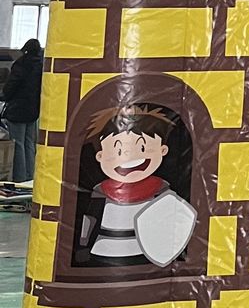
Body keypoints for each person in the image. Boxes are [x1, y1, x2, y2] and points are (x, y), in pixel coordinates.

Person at [74, 102, 196, 269]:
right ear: (100, 155)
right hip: (104, 251)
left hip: (149, 255)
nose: (129, 156)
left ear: (163, 150)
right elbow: (90, 220)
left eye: (143, 147)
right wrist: (83, 245)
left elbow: (178, 219)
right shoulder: (101, 192)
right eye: (117, 150)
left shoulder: (161, 191)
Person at [1, 37, 41, 191]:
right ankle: (30, 177)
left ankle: (20, 178)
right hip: (33, 110)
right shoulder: (41, 66)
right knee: (29, 143)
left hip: (18, 109)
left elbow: (11, 85)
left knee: (18, 143)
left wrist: (5, 95)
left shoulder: (22, 64)